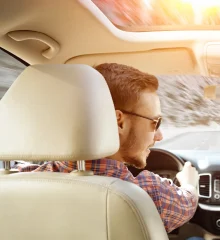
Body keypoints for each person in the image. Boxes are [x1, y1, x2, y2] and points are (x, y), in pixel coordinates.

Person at [17, 63, 199, 233]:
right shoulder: (147, 194)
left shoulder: (19, 182)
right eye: (155, 122)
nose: (159, 136)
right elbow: (188, 202)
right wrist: (189, 182)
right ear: (119, 122)